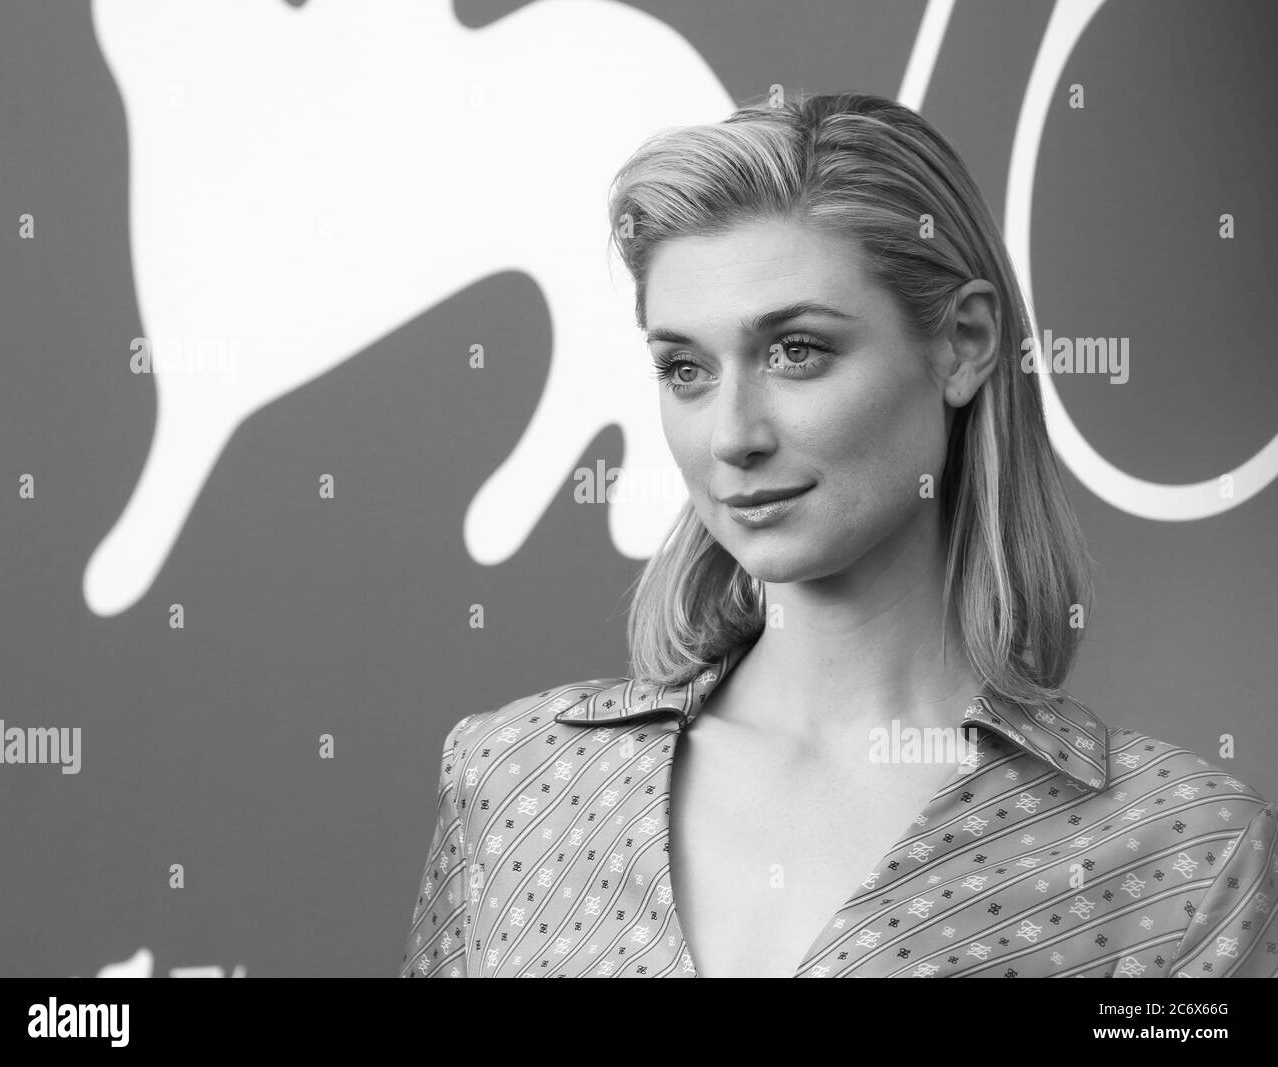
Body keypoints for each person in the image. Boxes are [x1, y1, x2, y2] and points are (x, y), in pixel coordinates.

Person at [398, 91, 1276, 978]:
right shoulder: (518, 782)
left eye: (797, 351)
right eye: (686, 369)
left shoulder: (1175, 856)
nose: (733, 434)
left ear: (964, 345)